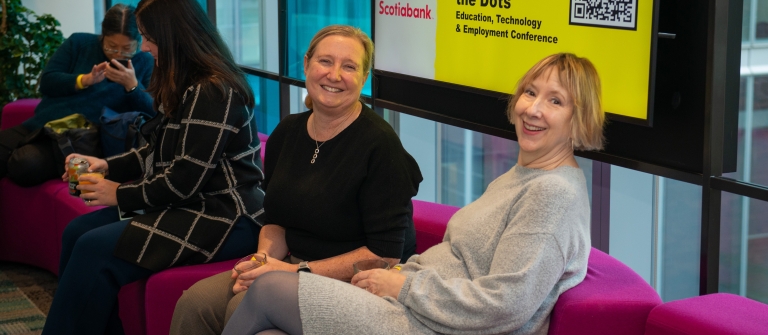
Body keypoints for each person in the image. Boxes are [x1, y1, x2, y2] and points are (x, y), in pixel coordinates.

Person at [220, 52, 606, 335]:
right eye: (530, 93)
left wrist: (403, 285)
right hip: (417, 307)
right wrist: (401, 279)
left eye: (555, 101)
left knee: (268, 290)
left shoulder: (553, 194)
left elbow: (506, 305)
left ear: (579, 118)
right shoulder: (525, 175)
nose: (533, 110)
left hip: (432, 325)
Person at [169, 25, 422, 335]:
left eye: (349, 66)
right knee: (193, 303)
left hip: (353, 282)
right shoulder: (288, 131)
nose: (334, 75)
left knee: (240, 307)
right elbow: (275, 220)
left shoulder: (380, 146)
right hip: (290, 264)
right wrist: (262, 261)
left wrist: (292, 271)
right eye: (325, 61)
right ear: (306, 65)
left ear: (363, 78)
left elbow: (385, 254)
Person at [40, 0, 265, 335]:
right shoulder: (184, 81)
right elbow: (155, 147)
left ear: (173, 36)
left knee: (92, 248)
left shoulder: (214, 90)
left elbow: (183, 179)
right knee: (77, 232)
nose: (143, 47)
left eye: (148, 38)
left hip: (225, 215)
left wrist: (119, 193)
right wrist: (107, 165)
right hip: (189, 203)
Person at [0, 3, 155, 186]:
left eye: (127, 49)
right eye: (111, 47)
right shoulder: (79, 43)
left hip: (83, 140)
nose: (118, 55)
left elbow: (152, 111)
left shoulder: (144, 61)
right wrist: (84, 80)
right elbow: (47, 82)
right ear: (102, 36)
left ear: (138, 43)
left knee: (25, 165)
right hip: (43, 125)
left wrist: (132, 86)